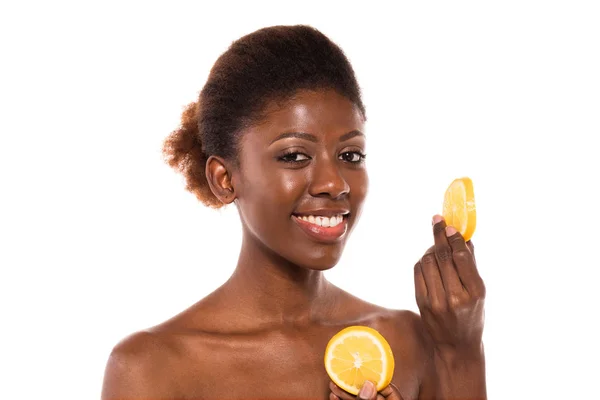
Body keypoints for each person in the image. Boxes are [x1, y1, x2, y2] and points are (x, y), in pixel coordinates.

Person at [101, 24, 487, 400]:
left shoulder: (411, 344)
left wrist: (462, 352)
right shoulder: (150, 369)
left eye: (350, 155)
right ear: (224, 179)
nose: (335, 183)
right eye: (294, 156)